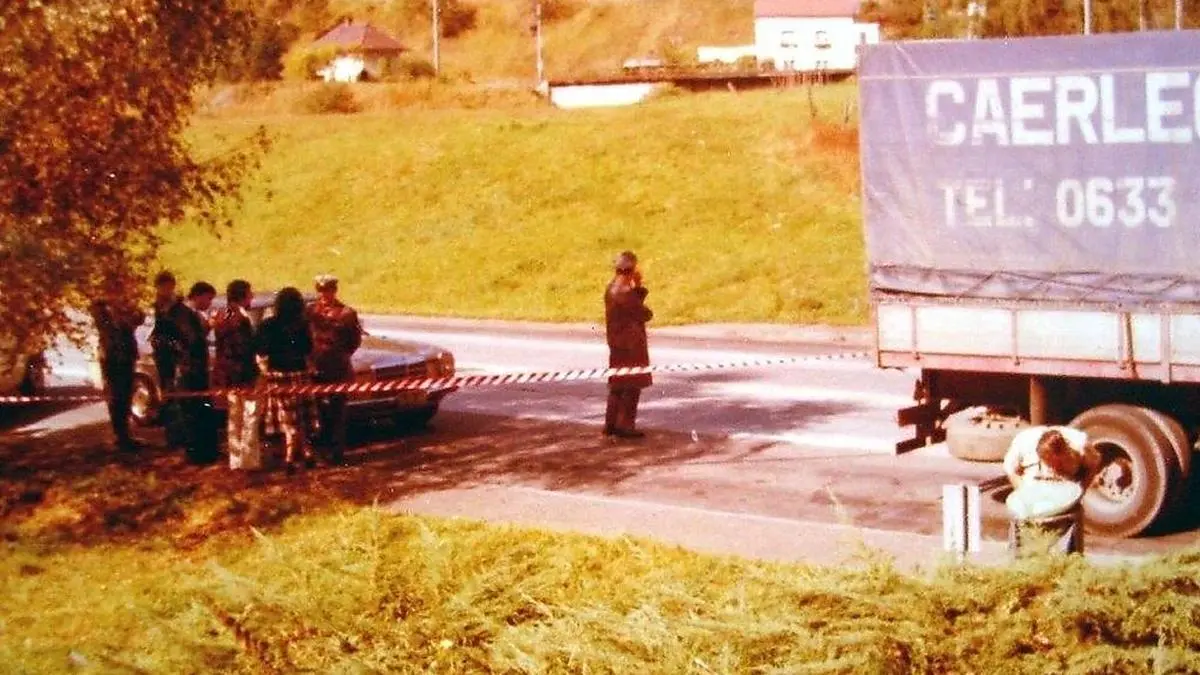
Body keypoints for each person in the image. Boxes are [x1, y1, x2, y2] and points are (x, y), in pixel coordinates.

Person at [150, 271, 217, 464]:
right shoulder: (183, 313)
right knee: (194, 412)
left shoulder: (183, 312)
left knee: (197, 410)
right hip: (190, 368)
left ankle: (201, 451)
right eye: (209, 299)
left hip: (190, 367)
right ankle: (198, 453)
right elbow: (191, 339)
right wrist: (207, 327)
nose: (210, 304)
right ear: (198, 295)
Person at [256, 286, 319, 473]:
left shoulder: (267, 325)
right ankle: (306, 452)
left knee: (288, 419)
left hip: (279, 376)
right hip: (299, 374)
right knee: (301, 419)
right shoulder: (303, 325)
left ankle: (291, 456)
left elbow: (261, 349)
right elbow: (308, 349)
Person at [306, 274, 362, 465]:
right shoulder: (311, 311)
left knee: (337, 413)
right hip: (316, 369)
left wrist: (339, 355)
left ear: (334, 291)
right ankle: (322, 451)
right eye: (321, 291)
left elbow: (354, 341)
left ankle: (337, 453)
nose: (324, 295)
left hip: (338, 368)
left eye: (328, 290)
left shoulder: (346, 313)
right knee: (319, 413)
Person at [88, 277, 146, 452]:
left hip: (126, 355)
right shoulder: (100, 308)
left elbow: (139, 317)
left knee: (126, 395)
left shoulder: (125, 306)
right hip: (112, 356)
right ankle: (119, 435)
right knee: (115, 397)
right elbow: (111, 326)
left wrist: (127, 308)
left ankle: (125, 434)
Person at [604, 250, 653, 439]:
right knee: (632, 386)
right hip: (631, 344)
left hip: (616, 342)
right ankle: (626, 425)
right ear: (632, 270)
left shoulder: (611, 288)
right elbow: (645, 314)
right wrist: (639, 287)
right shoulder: (625, 292)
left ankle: (611, 423)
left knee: (617, 384)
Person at [213, 279, 260, 470]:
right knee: (250, 416)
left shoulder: (221, 315)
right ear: (242, 297)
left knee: (234, 417)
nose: (252, 297)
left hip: (227, 375)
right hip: (244, 375)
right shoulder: (242, 318)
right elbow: (245, 349)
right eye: (249, 294)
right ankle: (249, 460)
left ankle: (235, 459)